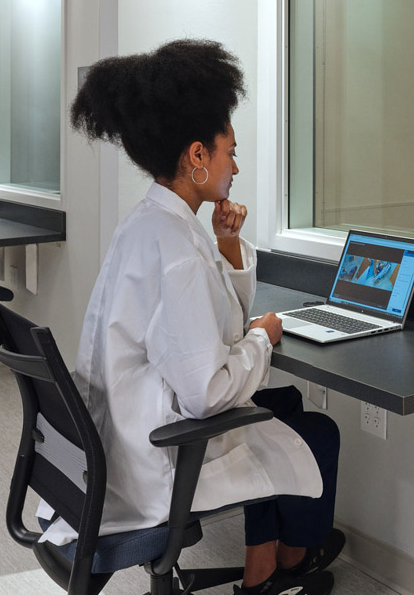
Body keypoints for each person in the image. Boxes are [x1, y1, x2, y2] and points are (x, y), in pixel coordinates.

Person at [62, 39, 344, 595]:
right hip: (159, 456)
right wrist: (263, 340)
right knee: (319, 431)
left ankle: (267, 557)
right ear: (197, 157)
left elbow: (214, 327)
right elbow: (209, 394)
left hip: (123, 433)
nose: (235, 167)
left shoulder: (152, 223)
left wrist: (228, 245)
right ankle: (287, 562)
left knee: (281, 405)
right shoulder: (177, 250)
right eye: (229, 152)